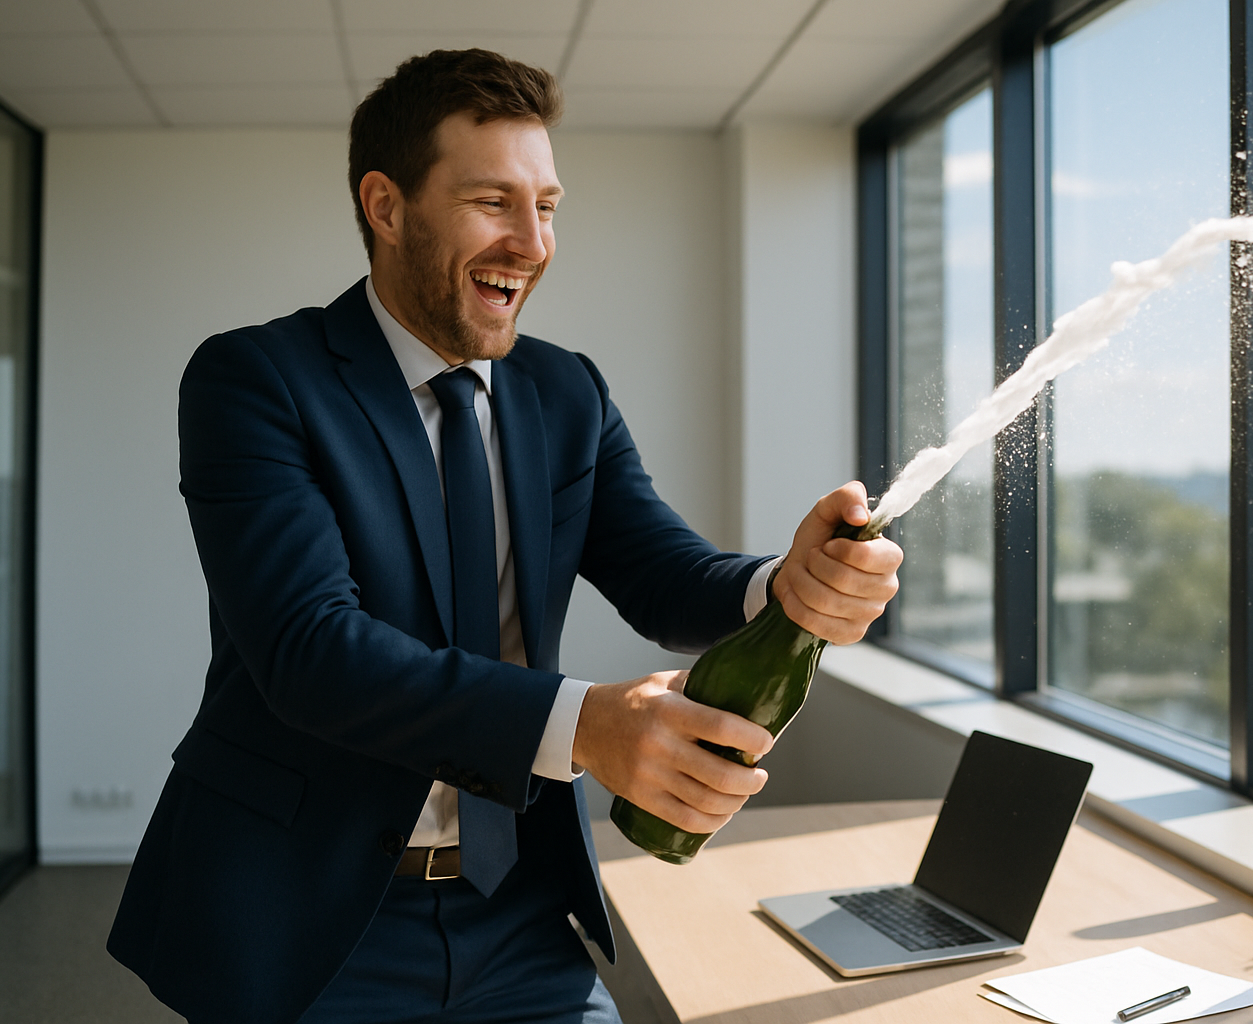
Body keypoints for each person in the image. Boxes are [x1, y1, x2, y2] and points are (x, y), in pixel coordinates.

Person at [107, 48, 902, 1024]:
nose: (533, 241)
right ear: (387, 206)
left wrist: (787, 583)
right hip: (314, 920)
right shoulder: (257, 381)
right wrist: (589, 726)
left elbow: (660, 572)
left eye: (550, 205)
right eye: (494, 201)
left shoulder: (566, 390)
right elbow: (311, 651)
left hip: (521, 911)